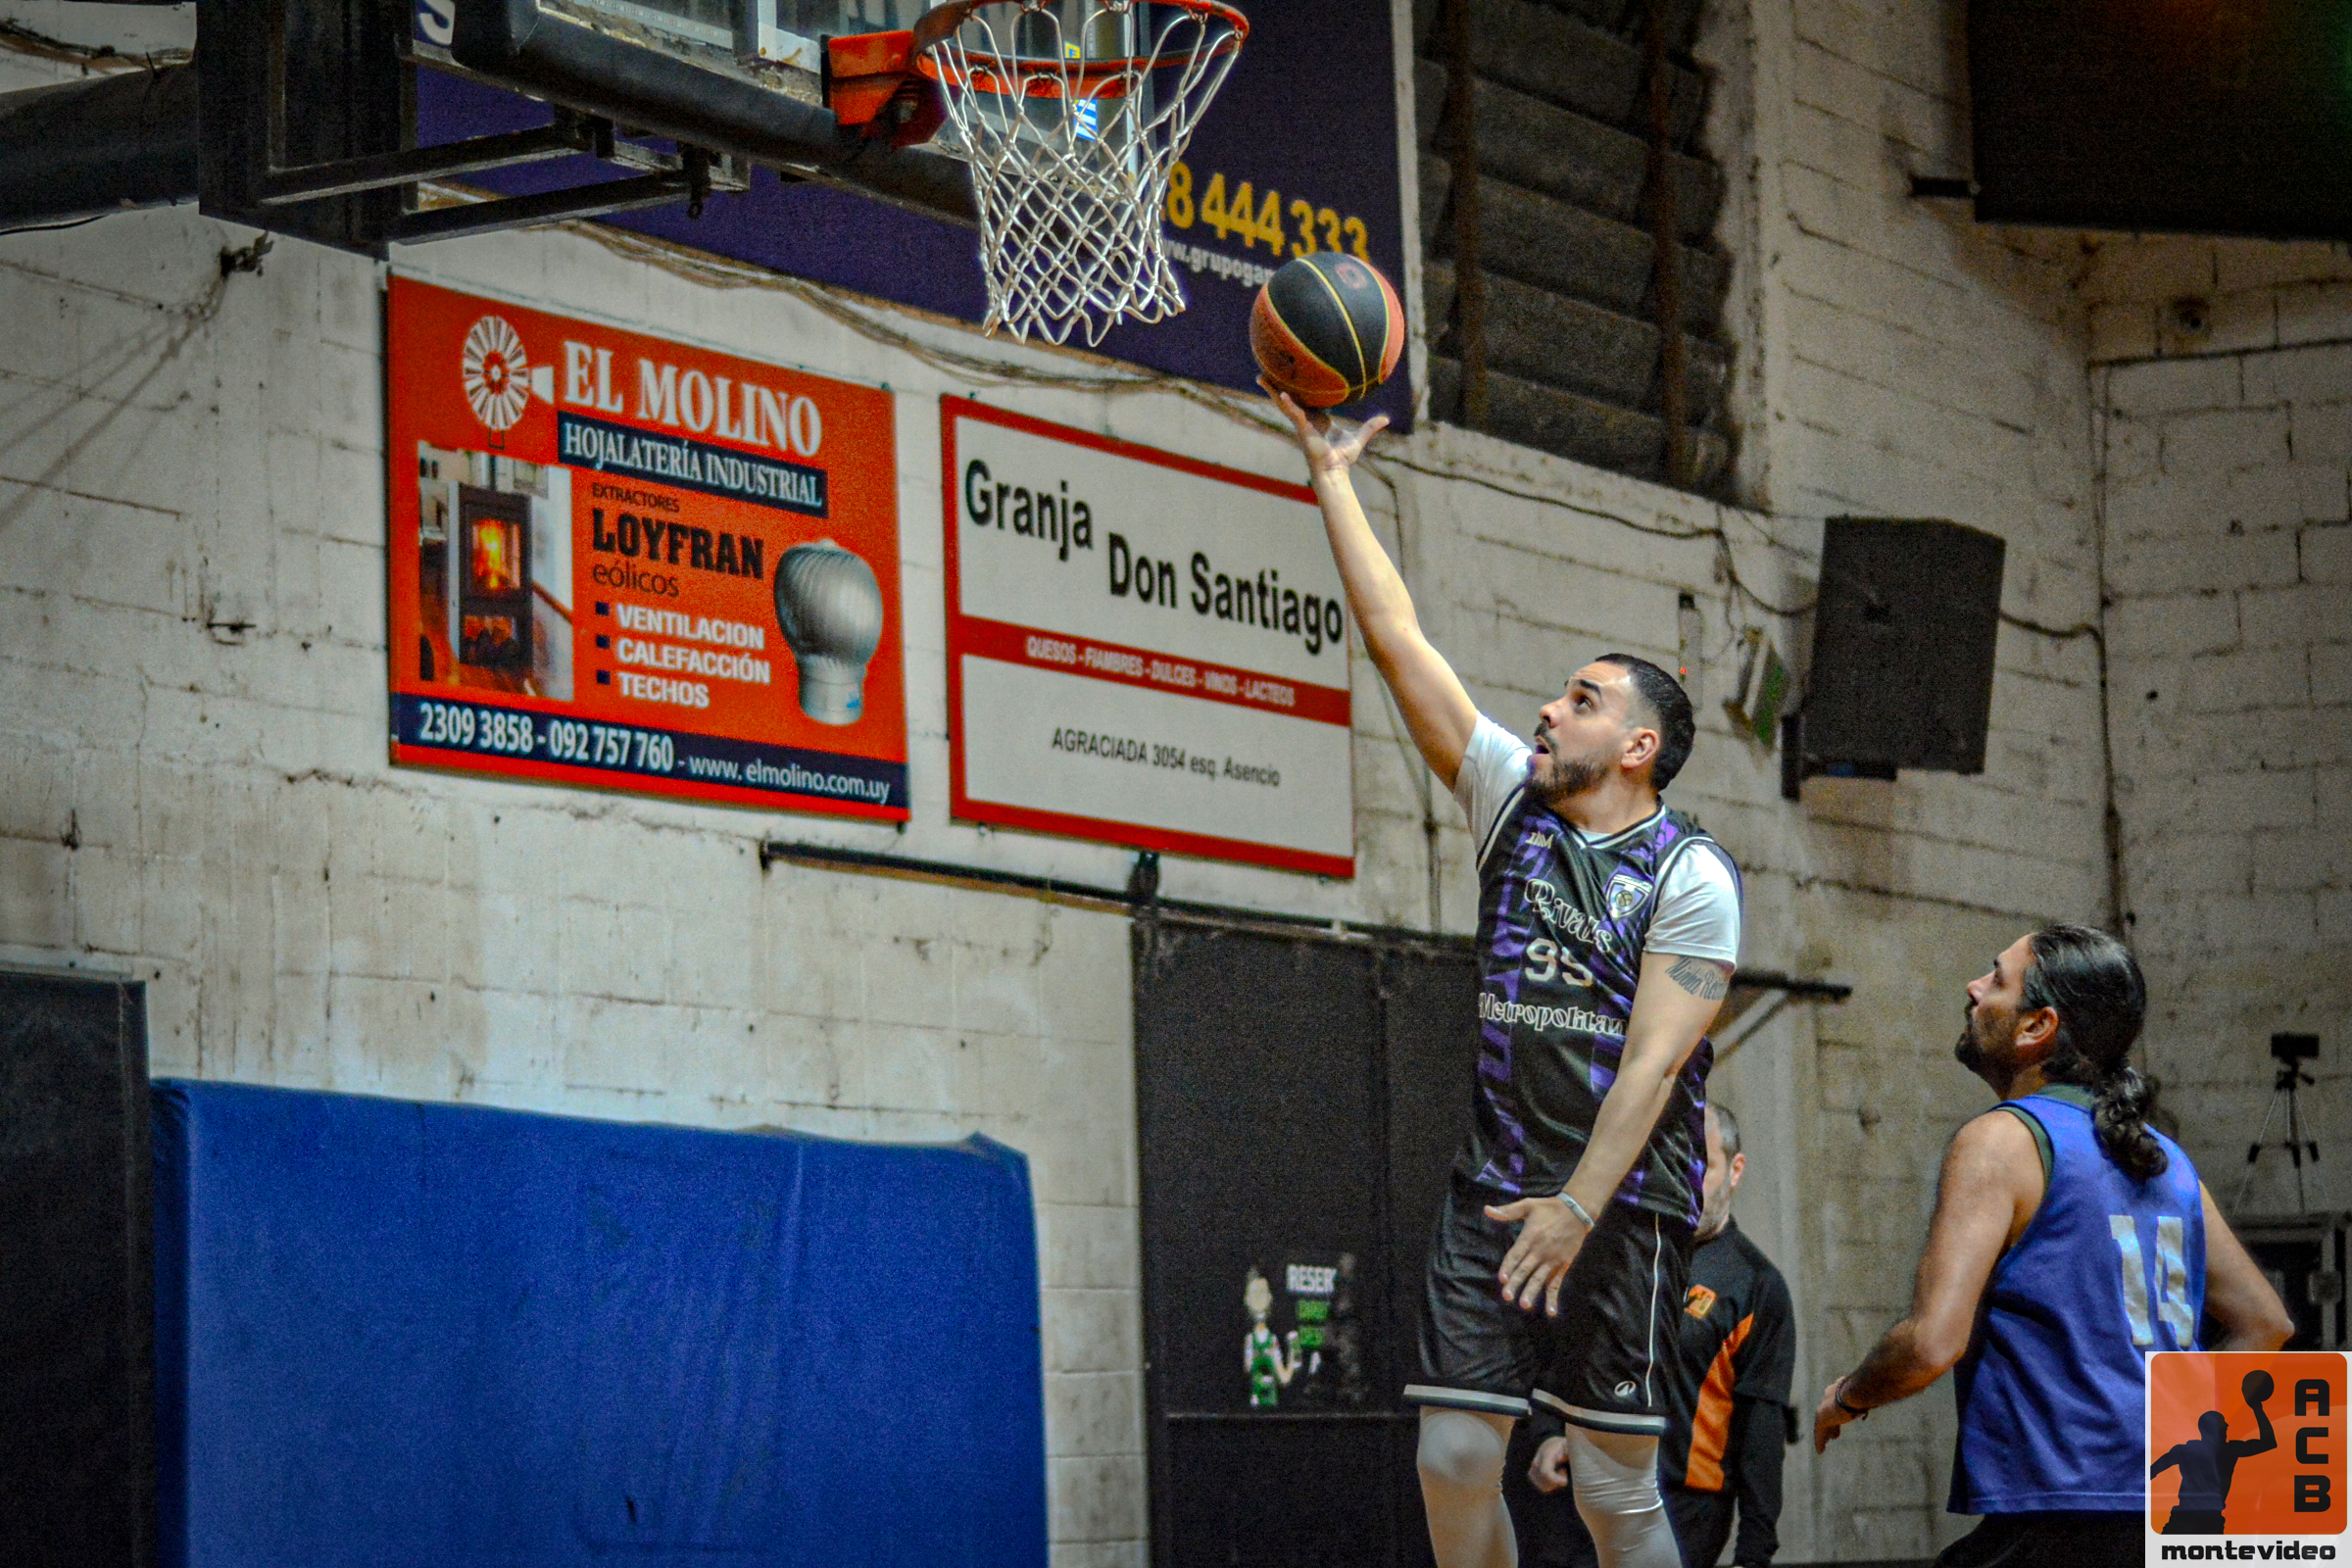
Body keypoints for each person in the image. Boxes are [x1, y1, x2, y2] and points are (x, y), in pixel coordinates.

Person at [1268, 390, 1741, 1568]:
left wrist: (1578, 1209)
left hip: (1619, 1205)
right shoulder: (1510, 802)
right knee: (1452, 1456)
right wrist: (1331, 477)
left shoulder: (1692, 874)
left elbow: (1654, 1067)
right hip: (1493, 1189)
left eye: (1583, 699)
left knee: (1614, 1489)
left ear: (1637, 746)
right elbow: (1398, 640)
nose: (1547, 706)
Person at [1810, 924, 2294, 1568]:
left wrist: (1849, 1395)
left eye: (1996, 979)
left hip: (2061, 1520)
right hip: (2174, 1517)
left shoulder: (2001, 1142)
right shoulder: (2168, 1161)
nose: (1974, 988)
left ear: (2038, 1027)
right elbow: (2266, 1324)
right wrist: (2171, 1425)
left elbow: (1931, 1344)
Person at [1523, 1102, 1797, 1567]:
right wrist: (1547, 1434)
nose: (1687, 1182)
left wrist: (1754, 1554)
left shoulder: (1754, 1284)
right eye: (1677, 1164)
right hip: (1589, 1490)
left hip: (1686, 1507)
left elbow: (1760, 1431)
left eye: (1704, 1165)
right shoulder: (1621, 1253)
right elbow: (1565, 1354)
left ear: (1735, 1171)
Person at [2150, 1379, 2278, 1533]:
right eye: (2223, 1424)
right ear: (2213, 1429)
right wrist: (2257, 1408)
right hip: (2203, 1519)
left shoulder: (2185, 1450)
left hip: (2190, 1517)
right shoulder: (2228, 1450)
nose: (2227, 1426)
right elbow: (2268, 1442)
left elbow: (2151, 1471)